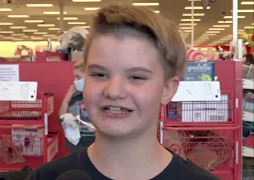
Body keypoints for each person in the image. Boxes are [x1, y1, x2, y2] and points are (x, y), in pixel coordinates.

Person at [26, 4, 219, 180]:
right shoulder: (45, 177)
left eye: (136, 77)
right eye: (99, 74)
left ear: (167, 90)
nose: (113, 91)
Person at [59, 60, 95, 154]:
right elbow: (61, 117)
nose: (75, 81)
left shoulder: (100, 98)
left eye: (78, 77)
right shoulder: (75, 97)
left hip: (94, 142)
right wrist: (66, 99)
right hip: (76, 144)